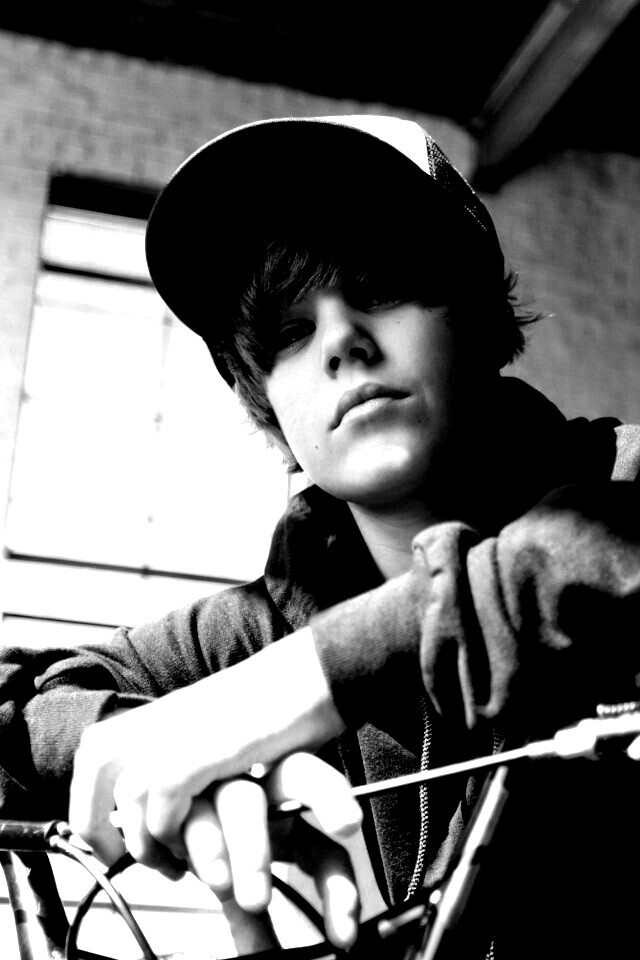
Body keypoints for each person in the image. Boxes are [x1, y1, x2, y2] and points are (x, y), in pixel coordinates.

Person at [1, 115, 639, 959]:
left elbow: (588, 555)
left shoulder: (622, 482)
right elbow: (13, 704)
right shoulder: (262, 622)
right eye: (287, 333)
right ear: (263, 399)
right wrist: (146, 748)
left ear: (476, 312)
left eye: (380, 287)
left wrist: (299, 685)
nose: (341, 341)